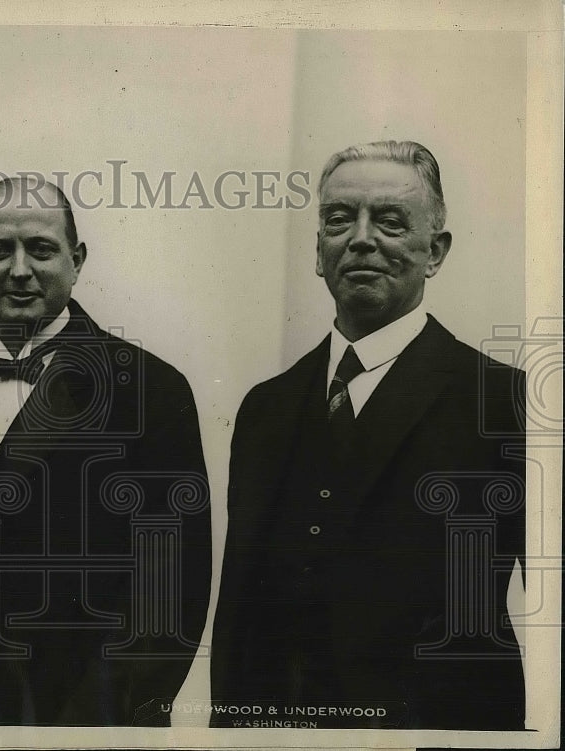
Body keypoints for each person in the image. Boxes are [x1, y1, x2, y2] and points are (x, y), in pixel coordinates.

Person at [209, 141, 527, 730]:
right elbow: (237, 617)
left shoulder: (507, 402)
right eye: (339, 218)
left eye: (389, 221)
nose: (360, 238)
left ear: (435, 252)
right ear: (318, 252)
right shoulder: (266, 408)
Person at [0, 176, 211, 725]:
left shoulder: (151, 391)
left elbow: (171, 586)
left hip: (85, 718)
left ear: (77, 260)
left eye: (42, 249)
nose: (20, 269)